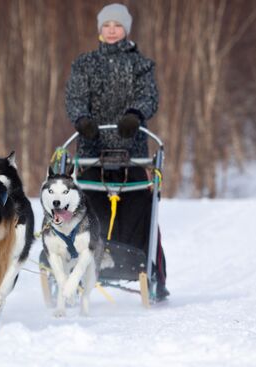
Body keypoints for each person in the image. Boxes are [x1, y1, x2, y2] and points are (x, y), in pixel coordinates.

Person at [65, 3, 169, 300]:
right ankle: (79, 267)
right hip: (92, 150)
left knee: (140, 209)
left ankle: (150, 272)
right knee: (87, 211)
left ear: (126, 29)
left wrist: (135, 114)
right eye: (107, 25)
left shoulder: (142, 65)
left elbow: (149, 96)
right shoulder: (84, 64)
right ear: (99, 29)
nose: (112, 30)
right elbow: (74, 97)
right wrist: (81, 120)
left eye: (117, 25)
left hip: (131, 151)